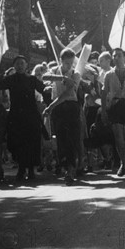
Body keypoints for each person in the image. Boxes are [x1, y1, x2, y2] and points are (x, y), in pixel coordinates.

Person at [0, 56, 46, 182]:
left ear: (26, 65)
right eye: (17, 64)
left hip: (31, 115)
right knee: (18, 142)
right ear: (14, 66)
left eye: (22, 63)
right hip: (16, 116)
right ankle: (21, 169)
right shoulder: (11, 79)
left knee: (32, 142)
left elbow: (43, 89)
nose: (20, 66)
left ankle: (31, 170)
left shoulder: (32, 79)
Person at [43, 48, 82, 185]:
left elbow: (67, 93)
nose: (69, 66)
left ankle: (71, 169)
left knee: (71, 138)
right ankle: (65, 166)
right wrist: (61, 77)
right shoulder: (55, 71)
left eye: (71, 63)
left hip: (70, 107)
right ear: (61, 61)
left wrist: (51, 106)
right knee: (60, 139)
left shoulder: (75, 74)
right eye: (66, 63)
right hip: (58, 109)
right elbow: (44, 77)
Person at [101, 48, 125, 177]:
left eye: (119, 55)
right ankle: (123, 162)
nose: (116, 58)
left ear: (124, 57)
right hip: (116, 105)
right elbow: (104, 92)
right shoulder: (109, 74)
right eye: (114, 56)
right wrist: (104, 110)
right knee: (119, 137)